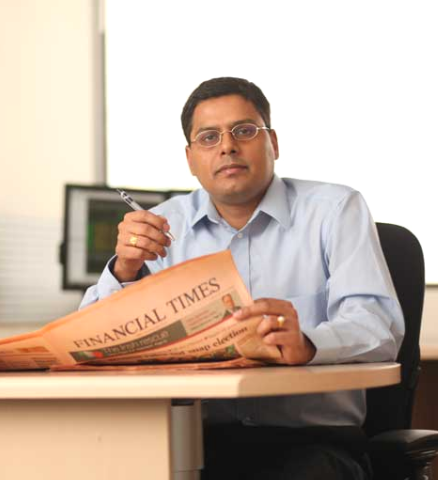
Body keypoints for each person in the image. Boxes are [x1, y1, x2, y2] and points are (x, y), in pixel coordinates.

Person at [80, 77, 404, 479]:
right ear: (190, 159)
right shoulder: (163, 225)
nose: (227, 146)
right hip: (193, 442)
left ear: (274, 143)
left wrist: (308, 344)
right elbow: (91, 344)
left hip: (310, 442)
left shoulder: (335, 210)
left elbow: (378, 327)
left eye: (244, 131)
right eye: (208, 137)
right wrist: (124, 270)